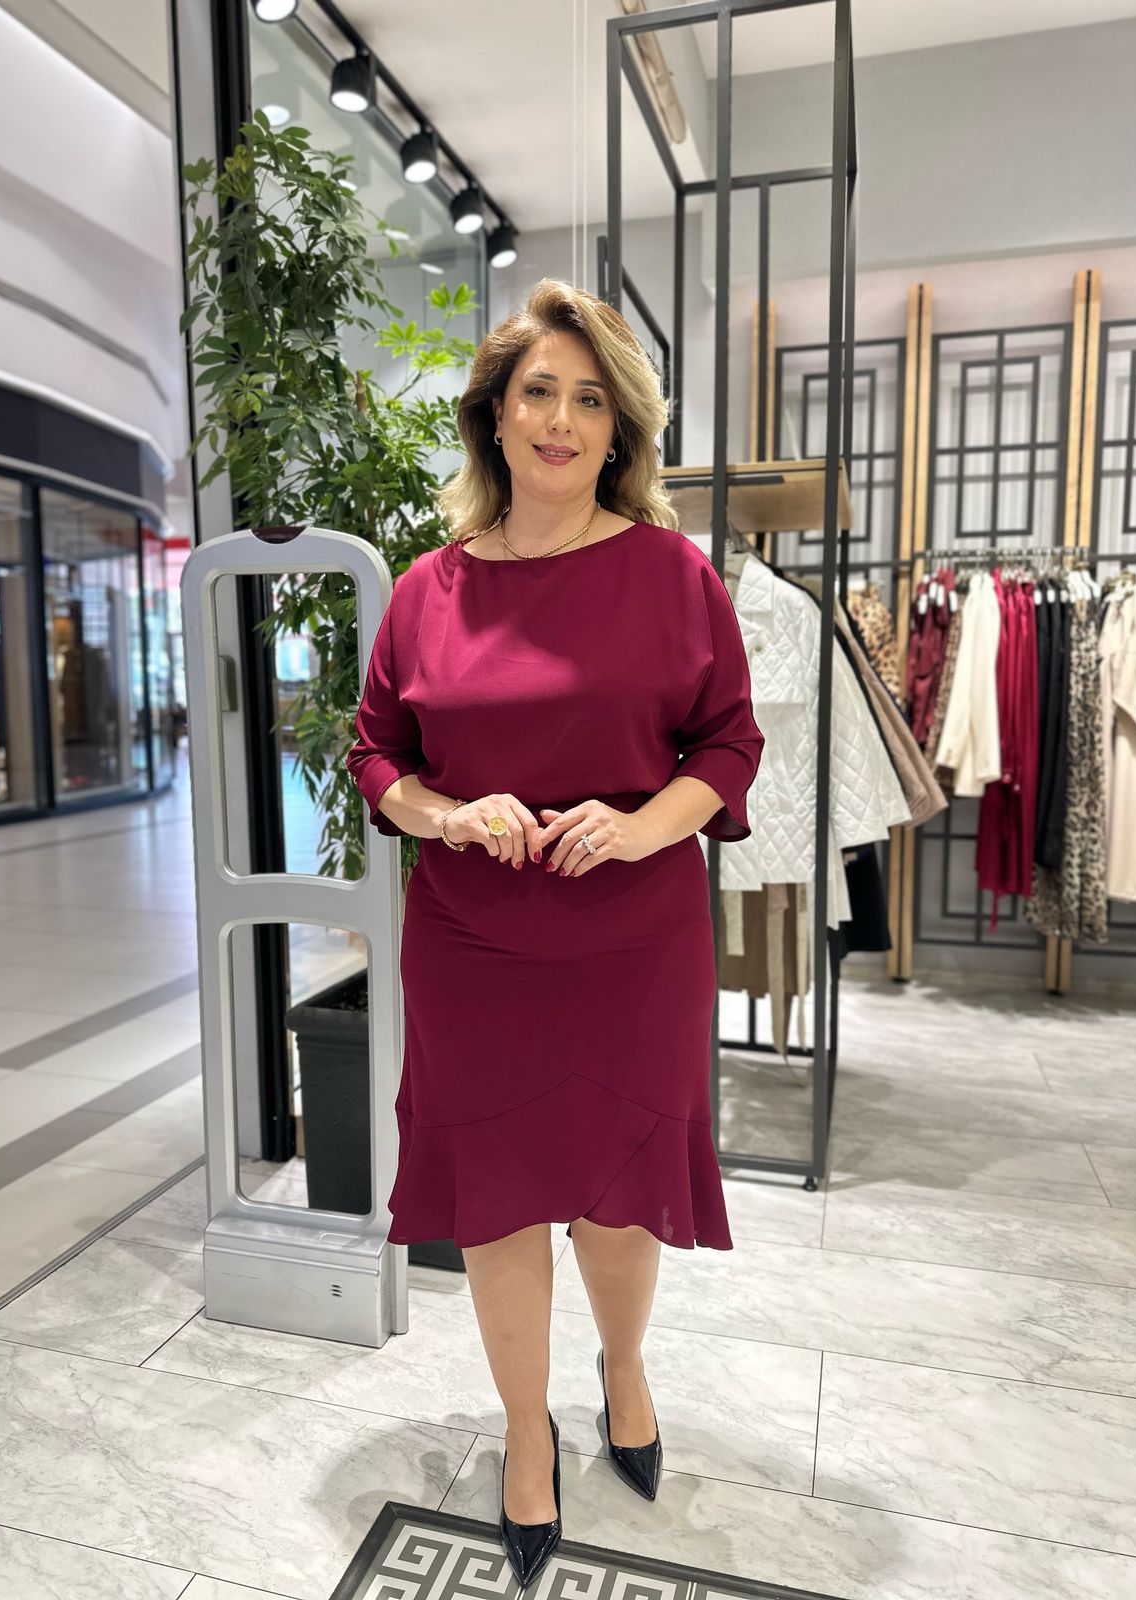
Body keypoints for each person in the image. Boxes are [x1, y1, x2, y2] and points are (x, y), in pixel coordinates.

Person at [345, 277, 763, 1585]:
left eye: (590, 398)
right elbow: (377, 757)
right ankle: (527, 1435)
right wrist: (446, 815)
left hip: (634, 943)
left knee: (620, 1195)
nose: (562, 420)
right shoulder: (427, 591)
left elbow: (727, 745)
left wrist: (641, 829)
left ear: (619, 428)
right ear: (495, 413)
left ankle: (623, 1366)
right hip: (473, 948)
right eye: (539, 392)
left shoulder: (674, 575)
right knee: (499, 1203)